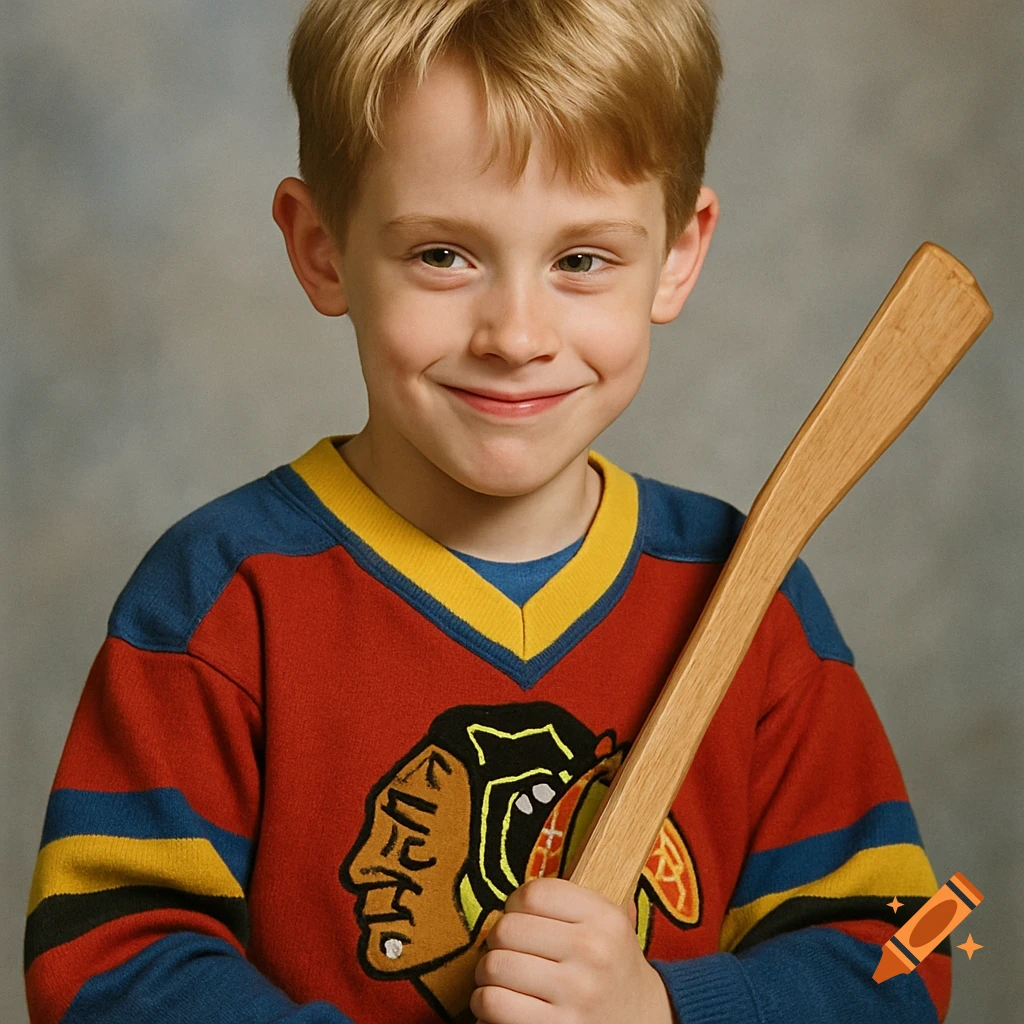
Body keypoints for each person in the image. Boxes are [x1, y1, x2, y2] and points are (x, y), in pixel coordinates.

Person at [24, 1, 951, 1022]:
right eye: (442, 255)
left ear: (677, 255)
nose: (515, 333)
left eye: (582, 259)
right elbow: (106, 959)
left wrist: (666, 1009)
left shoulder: (751, 602)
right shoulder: (220, 597)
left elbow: (913, 951)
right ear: (322, 248)